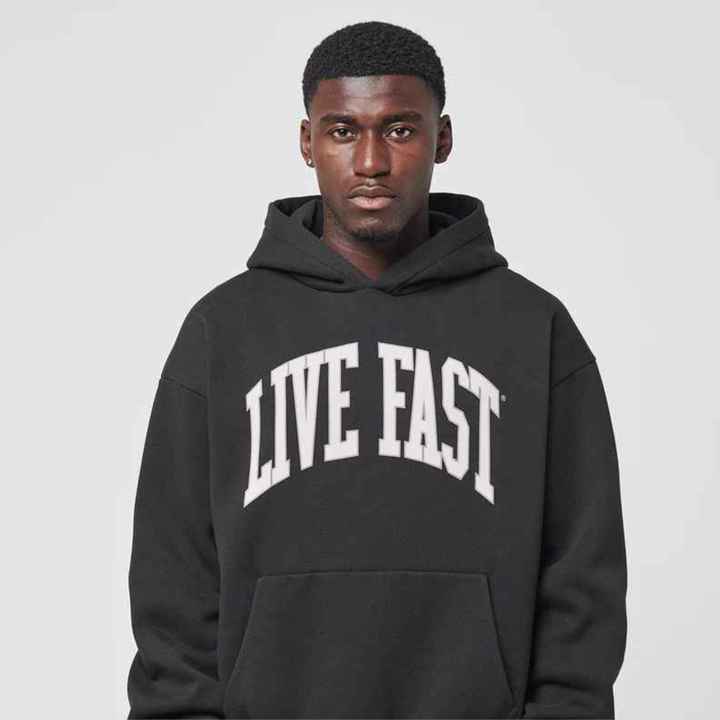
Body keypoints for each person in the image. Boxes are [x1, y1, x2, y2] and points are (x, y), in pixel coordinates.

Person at [126, 20, 627, 720]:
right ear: (307, 142)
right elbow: (173, 577)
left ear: (441, 139)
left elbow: (583, 575)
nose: (370, 161)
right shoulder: (223, 331)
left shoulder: (533, 328)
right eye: (342, 131)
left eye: (399, 130)